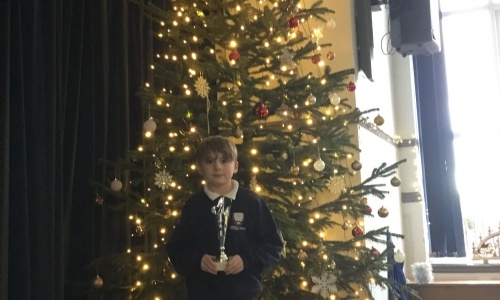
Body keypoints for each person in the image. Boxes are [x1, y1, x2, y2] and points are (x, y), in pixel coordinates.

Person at [167, 136, 284, 300]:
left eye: (224, 161)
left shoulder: (252, 202)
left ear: (235, 166)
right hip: (202, 293)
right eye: (209, 161)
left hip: (244, 292)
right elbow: (177, 248)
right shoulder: (193, 206)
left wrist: (246, 260)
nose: (217, 167)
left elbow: (273, 245)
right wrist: (198, 260)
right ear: (199, 168)